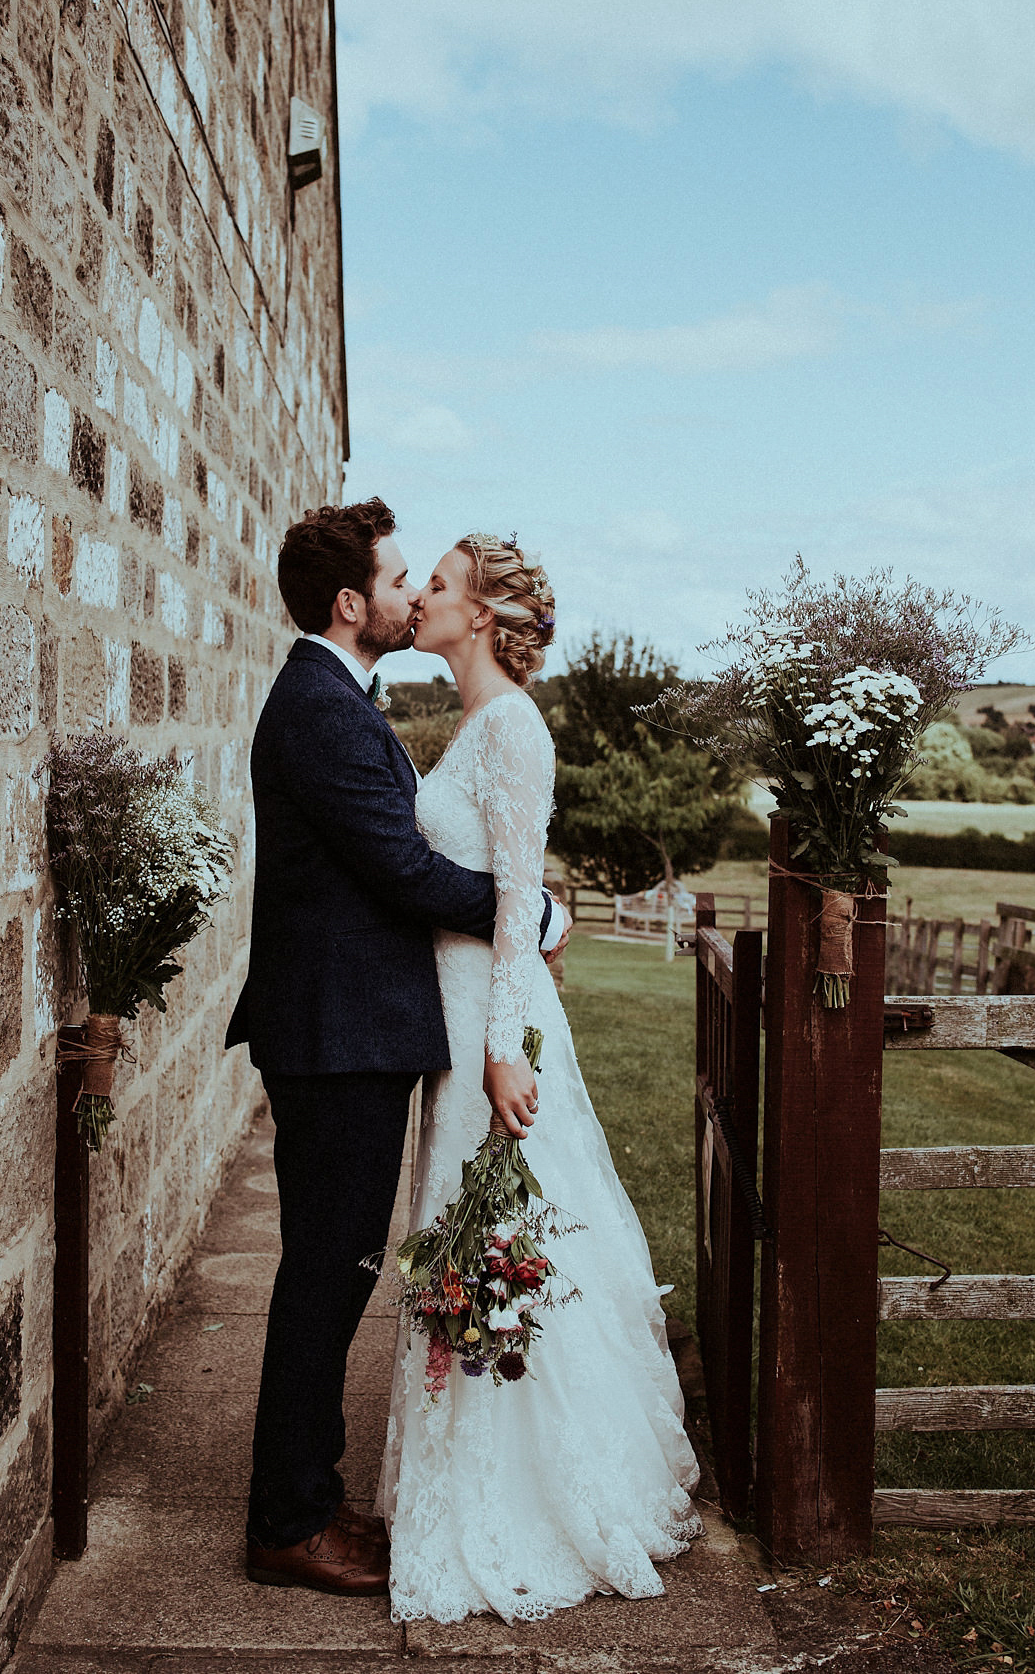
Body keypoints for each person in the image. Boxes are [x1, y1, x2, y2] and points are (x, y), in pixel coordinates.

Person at [226, 499, 568, 1597]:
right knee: (327, 1275)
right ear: (349, 602)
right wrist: (539, 917)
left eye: (425, 577)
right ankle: (290, 1519)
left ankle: (310, 1498)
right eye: (398, 576)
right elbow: (404, 874)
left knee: (339, 1270)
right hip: (337, 1038)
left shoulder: (337, 696)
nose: (412, 591)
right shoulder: (322, 709)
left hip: (351, 1032)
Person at [378, 532, 702, 1623]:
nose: (419, 594)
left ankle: (530, 1495)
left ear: (477, 614)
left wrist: (505, 1046)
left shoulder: (515, 728)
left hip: (489, 1024)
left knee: (503, 1231)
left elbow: (518, 900)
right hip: (458, 1010)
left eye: (436, 584)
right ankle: (466, 1470)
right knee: (465, 1230)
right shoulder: (476, 723)